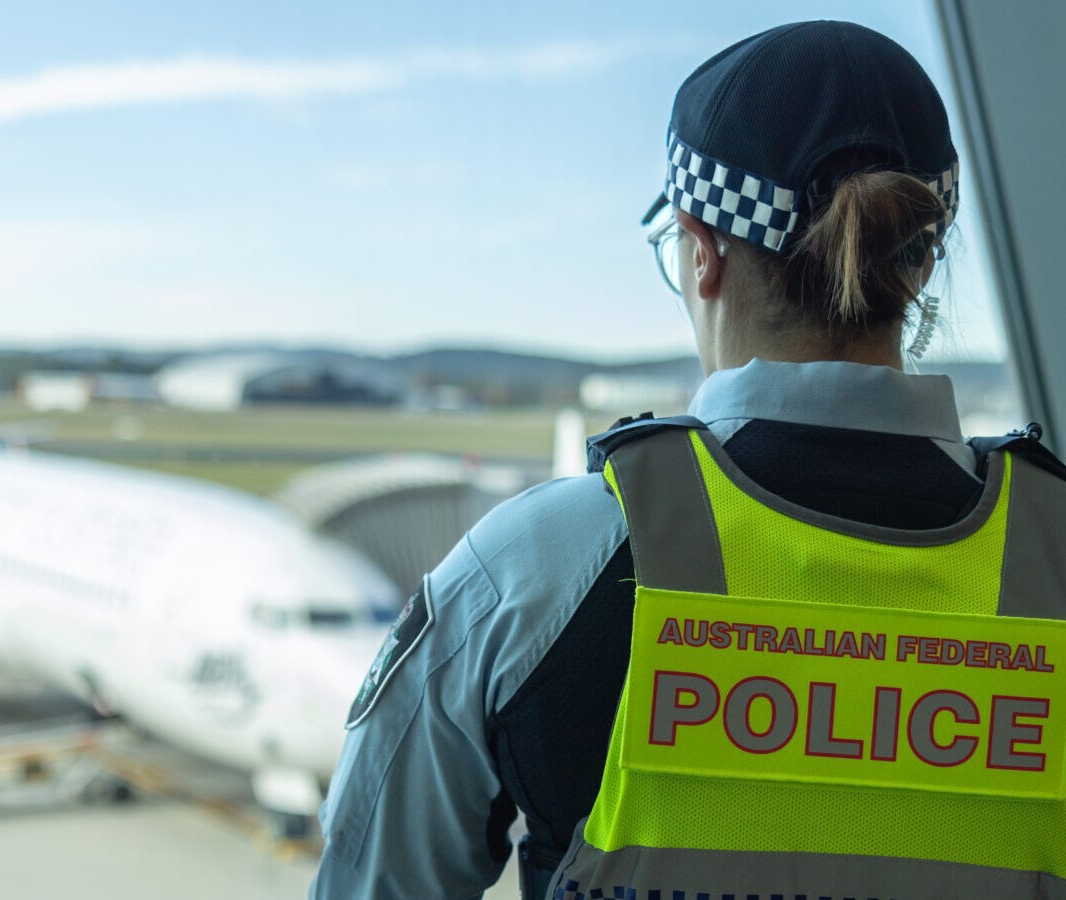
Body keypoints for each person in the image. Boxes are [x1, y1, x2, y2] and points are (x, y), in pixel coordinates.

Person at [311, 20, 1066, 900]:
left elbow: (370, 880)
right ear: (922, 255)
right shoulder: (1051, 551)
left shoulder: (539, 568)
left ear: (701, 253)